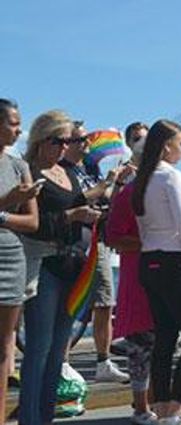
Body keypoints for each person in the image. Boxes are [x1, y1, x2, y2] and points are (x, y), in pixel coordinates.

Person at [19, 111, 101, 425]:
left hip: (74, 262)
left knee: (58, 349)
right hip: (45, 262)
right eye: (60, 141)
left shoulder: (68, 172)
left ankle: (45, 415)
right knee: (38, 347)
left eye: (68, 141)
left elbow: (76, 203)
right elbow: (33, 225)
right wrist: (72, 216)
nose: (65, 147)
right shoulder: (29, 171)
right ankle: (30, 418)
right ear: (42, 140)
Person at [133, 119, 181, 425]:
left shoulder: (143, 177)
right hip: (173, 261)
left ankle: (163, 405)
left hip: (149, 259)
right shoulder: (170, 176)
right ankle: (175, 406)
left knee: (165, 336)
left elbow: (142, 225)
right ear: (167, 146)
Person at [61, 120, 131, 383]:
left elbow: (106, 198)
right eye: (81, 140)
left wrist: (117, 184)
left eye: (86, 139)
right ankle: (63, 360)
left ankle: (103, 361)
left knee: (104, 301)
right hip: (75, 243)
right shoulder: (62, 171)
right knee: (69, 303)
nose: (86, 144)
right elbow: (76, 199)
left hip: (98, 240)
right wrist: (106, 185)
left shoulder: (89, 168)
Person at [105, 121, 157, 424]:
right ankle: (141, 407)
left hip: (164, 275)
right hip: (138, 274)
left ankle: (161, 404)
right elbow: (112, 236)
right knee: (140, 344)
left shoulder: (166, 185)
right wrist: (149, 242)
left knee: (162, 341)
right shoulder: (127, 191)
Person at [0, 99, 39, 422]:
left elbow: (33, 223)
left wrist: (3, 215)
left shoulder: (19, 166)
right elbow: (14, 212)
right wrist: (7, 204)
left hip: (13, 258)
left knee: (4, 348)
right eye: (12, 123)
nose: (18, 129)